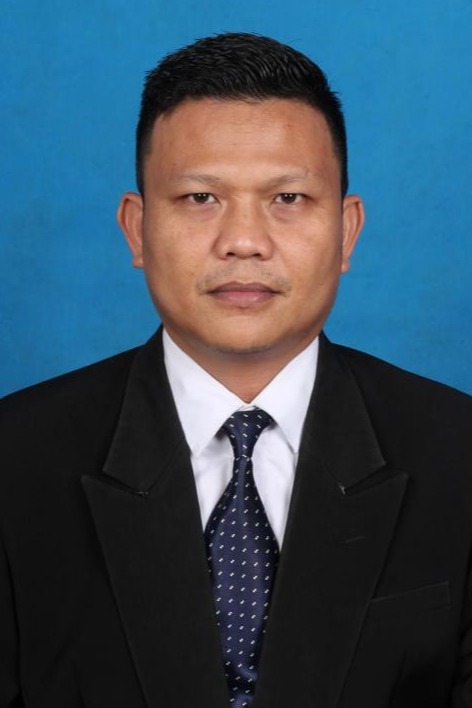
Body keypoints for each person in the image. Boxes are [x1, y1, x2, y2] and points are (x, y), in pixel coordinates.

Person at [0, 31, 471, 708]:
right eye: (201, 198)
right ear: (136, 229)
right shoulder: (15, 459)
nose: (244, 242)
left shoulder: (459, 453)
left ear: (347, 231)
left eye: (288, 199)